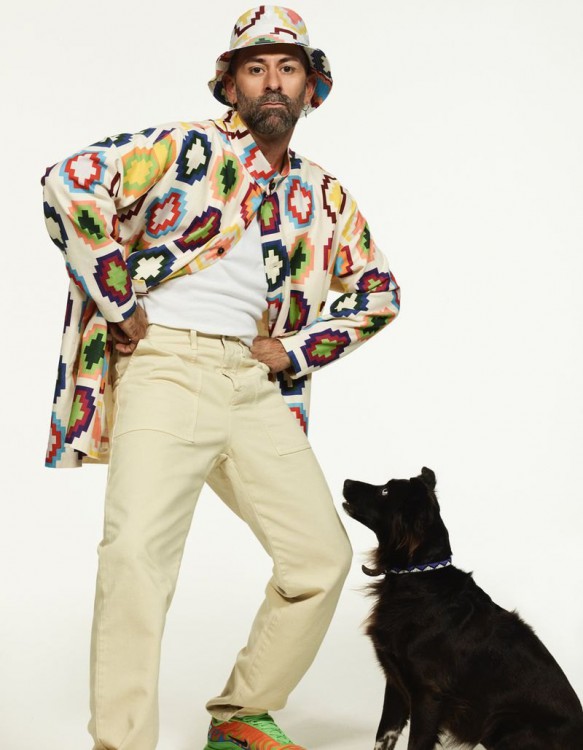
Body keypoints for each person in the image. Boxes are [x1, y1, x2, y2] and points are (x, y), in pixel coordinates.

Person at [42, 6, 400, 750]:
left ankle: (240, 715)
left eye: (287, 69)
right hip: (166, 365)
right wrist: (119, 301)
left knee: (320, 559)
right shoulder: (186, 147)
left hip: (252, 382)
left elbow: (379, 292)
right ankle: (122, 742)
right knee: (136, 558)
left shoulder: (322, 194)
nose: (272, 82)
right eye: (254, 68)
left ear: (311, 88)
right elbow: (69, 182)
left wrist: (294, 351)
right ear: (229, 85)